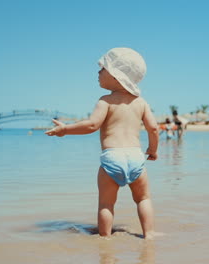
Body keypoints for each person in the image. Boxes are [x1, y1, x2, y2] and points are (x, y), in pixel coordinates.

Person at [45, 48, 159, 239]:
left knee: (106, 204)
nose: (98, 73)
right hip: (136, 158)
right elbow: (153, 128)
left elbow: (91, 125)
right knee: (143, 199)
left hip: (112, 157)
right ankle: (149, 235)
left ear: (116, 76)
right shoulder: (141, 103)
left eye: (102, 69)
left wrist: (65, 130)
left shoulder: (105, 101)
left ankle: (105, 240)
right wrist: (152, 150)